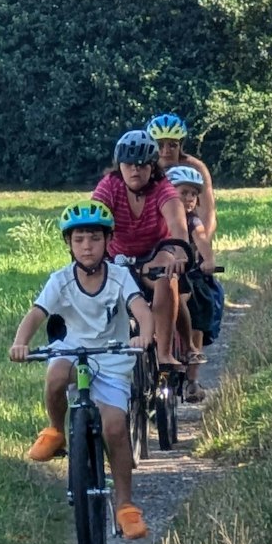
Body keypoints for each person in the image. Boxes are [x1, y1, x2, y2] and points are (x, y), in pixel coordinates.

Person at [9, 199, 154, 540]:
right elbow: (36, 314)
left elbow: (141, 309)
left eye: (94, 238)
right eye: (79, 239)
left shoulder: (119, 277)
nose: (87, 246)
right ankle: (55, 430)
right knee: (56, 374)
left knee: (115, 429)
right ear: (69, 244)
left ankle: (125, 505)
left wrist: (144, 335)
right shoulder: (60, 280)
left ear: (108, 241)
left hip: (112, 358)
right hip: (73, 351)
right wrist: (20, 343)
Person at [92, 129, 193, 367]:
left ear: (152, 166)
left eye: (142, 165)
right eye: (128, 165)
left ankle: (165, 353)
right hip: (118, 257)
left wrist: (180, 255)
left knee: (166, 275)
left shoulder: (163, 189)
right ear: (119, 166)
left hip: (155, 254)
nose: (134, 170)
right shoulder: (109, 186)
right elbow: (93, 221)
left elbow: (178, 227)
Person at [166, 164, 224, 403]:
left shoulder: (193, 221)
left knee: (199, 308)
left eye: (193, 193)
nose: (189, 198)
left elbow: (201, 239)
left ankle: (192, 376)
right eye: (183, 192)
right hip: (163, 273)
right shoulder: (160, 219)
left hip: (191, 273)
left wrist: (208, 260)